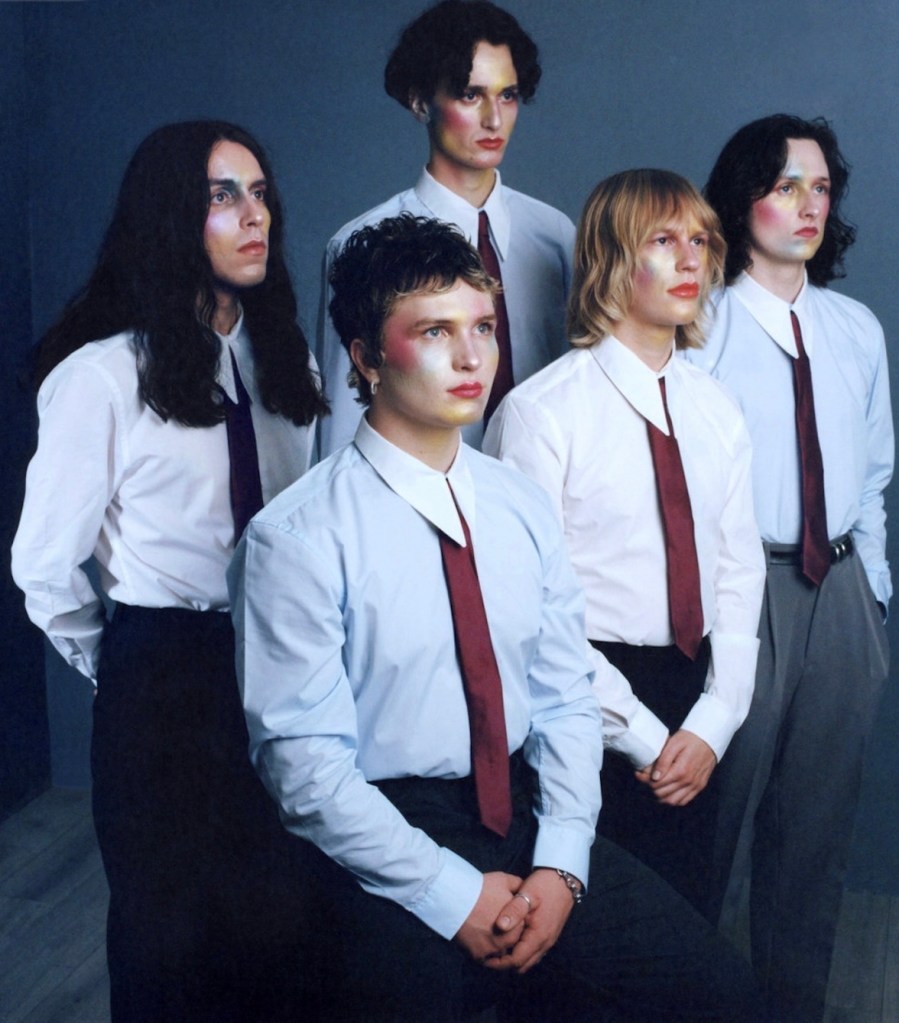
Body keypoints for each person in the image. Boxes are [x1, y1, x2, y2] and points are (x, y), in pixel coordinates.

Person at [229, 213, 763, 1023]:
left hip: (524, 809)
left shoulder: (518, 504)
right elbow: (306, 772)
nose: (472, 356)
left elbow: (563, 698)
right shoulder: (296, 538)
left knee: (727, 999)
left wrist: (561, 863)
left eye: (481, 326)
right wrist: (453, 893)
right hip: (386, 829)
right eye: (434, 331)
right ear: (366, 359)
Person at [11, 120, 328, 1022]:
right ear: (168, 217)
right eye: (222, 196)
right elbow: (44, 564)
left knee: (284, 919)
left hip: (281, 654)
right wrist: (121, 663)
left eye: (259, 194)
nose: (254, 215)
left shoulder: (286, 362)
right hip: (164, 671)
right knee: (168, 936)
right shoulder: (102, 378)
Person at [484, 170, 765, 913]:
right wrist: (643, 736)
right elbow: (527, 611)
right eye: (663, 240)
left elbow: (738, 571)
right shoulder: (542, 415)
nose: (690, 259)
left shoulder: (717, 408)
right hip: (585, 698)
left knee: (688, 924)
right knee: (585, 936)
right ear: (611, 258)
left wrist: (713, 721)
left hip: (698, 694)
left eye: (699, 240)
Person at [686, 114, 892, 1022]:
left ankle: (790, 1007)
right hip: (742, 589)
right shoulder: (701, 326)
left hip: (838, 591)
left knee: (814, 834)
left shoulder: (854, 328)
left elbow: (874, 473)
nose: (807, 206)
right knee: (708, 820)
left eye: (819, 188)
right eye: (783, 186)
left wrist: (872, 592)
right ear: (742, 199)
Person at [316, 0, 575, 456]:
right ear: (420, 102)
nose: (494, 119)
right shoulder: (365, 243)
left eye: (508, 95)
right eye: (470, 95)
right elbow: (343, 424)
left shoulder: (554, 235)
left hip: (545, 484)